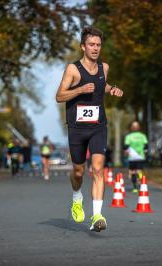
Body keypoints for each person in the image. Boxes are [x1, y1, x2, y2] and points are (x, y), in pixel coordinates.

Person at [55, 26, 123, 232]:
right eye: (91, 44)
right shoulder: (73, 70)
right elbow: (59, 96)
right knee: (78, 171)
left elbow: (102, 84)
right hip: (77, 127)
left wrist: (112, 89)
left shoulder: (105, 67)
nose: (95, 48)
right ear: (83, 47)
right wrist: (80, 90)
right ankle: (77, 197)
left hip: (98, 126)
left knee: (98, 168)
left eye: (98, 45)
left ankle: (97, 216)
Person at [124, 121, 148, 193]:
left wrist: (125, 153)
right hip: (140, 156)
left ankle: (135, 187)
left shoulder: (128, 136)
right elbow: (146, 146)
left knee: (132, 171)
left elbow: (126, 147)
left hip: (132, 157)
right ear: (139, 128)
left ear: (131, 128)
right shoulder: (143, 136)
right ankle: (140, 179)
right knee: (139, 170)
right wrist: (145, 153)